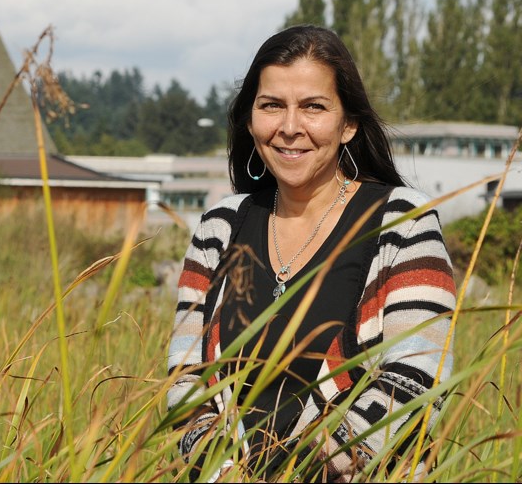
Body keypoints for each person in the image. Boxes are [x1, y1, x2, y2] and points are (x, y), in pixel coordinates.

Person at [166, 24, 456, 482]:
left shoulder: (403, 221)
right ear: (249, 119)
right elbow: (184, 383)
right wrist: (223, 470)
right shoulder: (220, 226)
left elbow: (417, 379)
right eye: (271, 106)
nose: (289, 127)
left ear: (349, 124)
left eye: (313, 107)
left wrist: (304, 471)